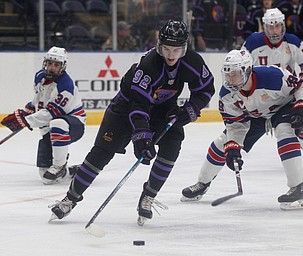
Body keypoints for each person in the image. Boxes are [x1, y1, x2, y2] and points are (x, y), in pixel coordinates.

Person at [48, 20, 215, 225]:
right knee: (101, 153)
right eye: (167, 49)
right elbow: (138, 105)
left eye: (177, 50)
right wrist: (142, 137)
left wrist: (190, 110)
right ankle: (70, 200)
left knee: (173, 142)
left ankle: (148, 196)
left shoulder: (193, 62)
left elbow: (205, 89)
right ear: (159, 46)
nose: (172, 55)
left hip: (162, 111)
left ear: (185, 48)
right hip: (125, 109)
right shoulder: (149, 65)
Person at [181, 49, 303, 210]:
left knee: (284, 130)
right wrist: (233, 148)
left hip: (283, 108)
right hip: (256, 117)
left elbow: (301, 86)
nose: (230, 79)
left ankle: (298, 188)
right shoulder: (227, 95)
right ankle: (202, 183)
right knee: (222, 143)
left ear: (247, 70)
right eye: (228, 74)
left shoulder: (273, 76)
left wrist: (302, 106)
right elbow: (235, 126)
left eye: (234, 74)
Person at [242, 8, 303, 168]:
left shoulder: (293, 41)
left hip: (287, 94)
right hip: (261, 97)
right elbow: (240, 66)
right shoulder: (253, 42)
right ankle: (233, 148)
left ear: (283, 25)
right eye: (270, 27)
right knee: (242, 129)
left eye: (277, 26)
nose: (274, 30)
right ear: (264, 26)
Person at [0, 46, 86, 185]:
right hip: (50, 128)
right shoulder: (40, 76)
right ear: (45, 63)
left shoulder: (65, 86)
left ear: (63, 66)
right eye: (50, 63)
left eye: (56, 65)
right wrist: (25, 113)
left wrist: (25, 121)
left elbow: (51, 113)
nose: (52, 68)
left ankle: (59, 165)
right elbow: (38, 101)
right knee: (46, 178)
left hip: (73, 125)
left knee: (58, 123)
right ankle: (72, 172)